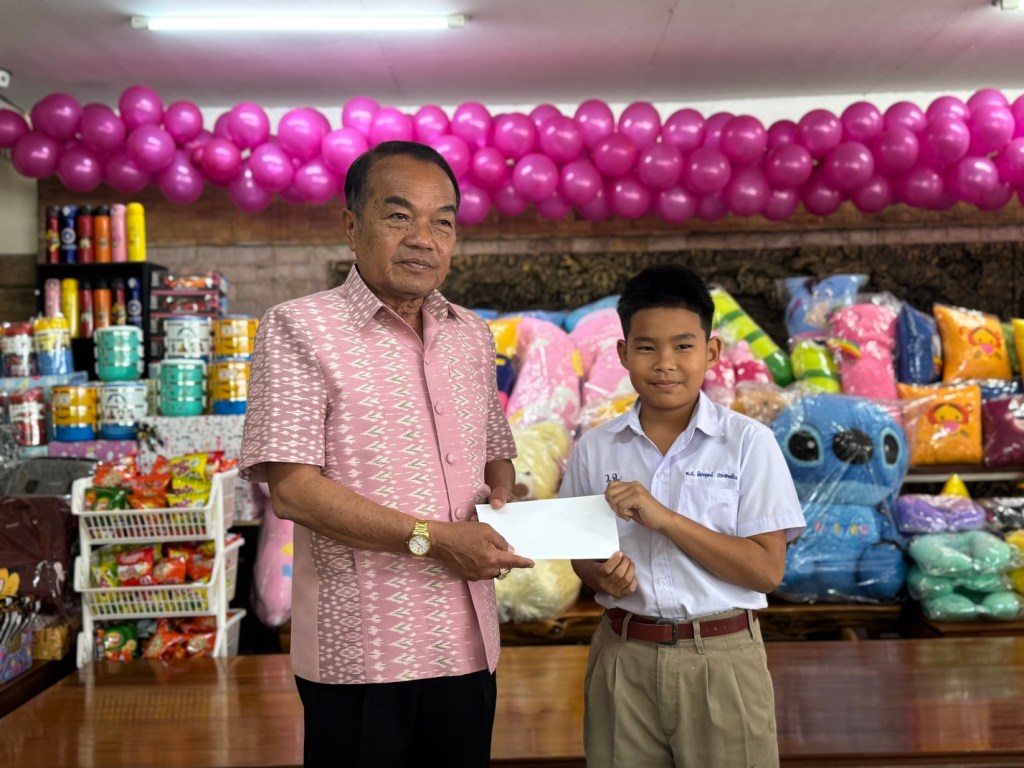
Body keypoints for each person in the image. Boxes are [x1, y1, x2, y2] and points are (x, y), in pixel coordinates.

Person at [239, 140, 534, 768]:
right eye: (399, 216)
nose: (423, 239)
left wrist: (505, 497)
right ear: (352, 227)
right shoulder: (297, 328)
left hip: (469, 642)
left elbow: (495, 453)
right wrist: (436, 539)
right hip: (363, 652)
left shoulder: (472, 336)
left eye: (442, 222)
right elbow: (292, 490)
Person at [560, 263, 806, 768]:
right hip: (622, 655)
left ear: (712, 352)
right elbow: (582, 557)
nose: (665, 363)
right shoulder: (595, 447)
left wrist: (666, 519)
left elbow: (767, 570)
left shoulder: (748, 444)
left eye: (683, 346)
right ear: (623, 353)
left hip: (721, 658)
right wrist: (599, 574)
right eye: (647, 347)